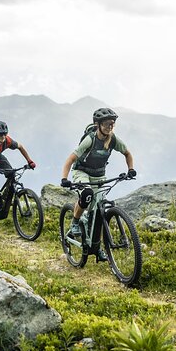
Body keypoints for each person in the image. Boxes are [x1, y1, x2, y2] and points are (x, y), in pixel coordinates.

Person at [60, 108, 136, 260]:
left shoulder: (113, 139)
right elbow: (70, 159)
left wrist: (131, 169)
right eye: (107, 124)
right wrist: (64, 178)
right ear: (98, 124)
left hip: (99, 175)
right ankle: (75, 222)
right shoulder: (90, 139)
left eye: (112, 124)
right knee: (87, 194)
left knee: (99, 212)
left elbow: (127, 153)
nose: (110, 127)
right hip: (82, 172)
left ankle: (96, 247)